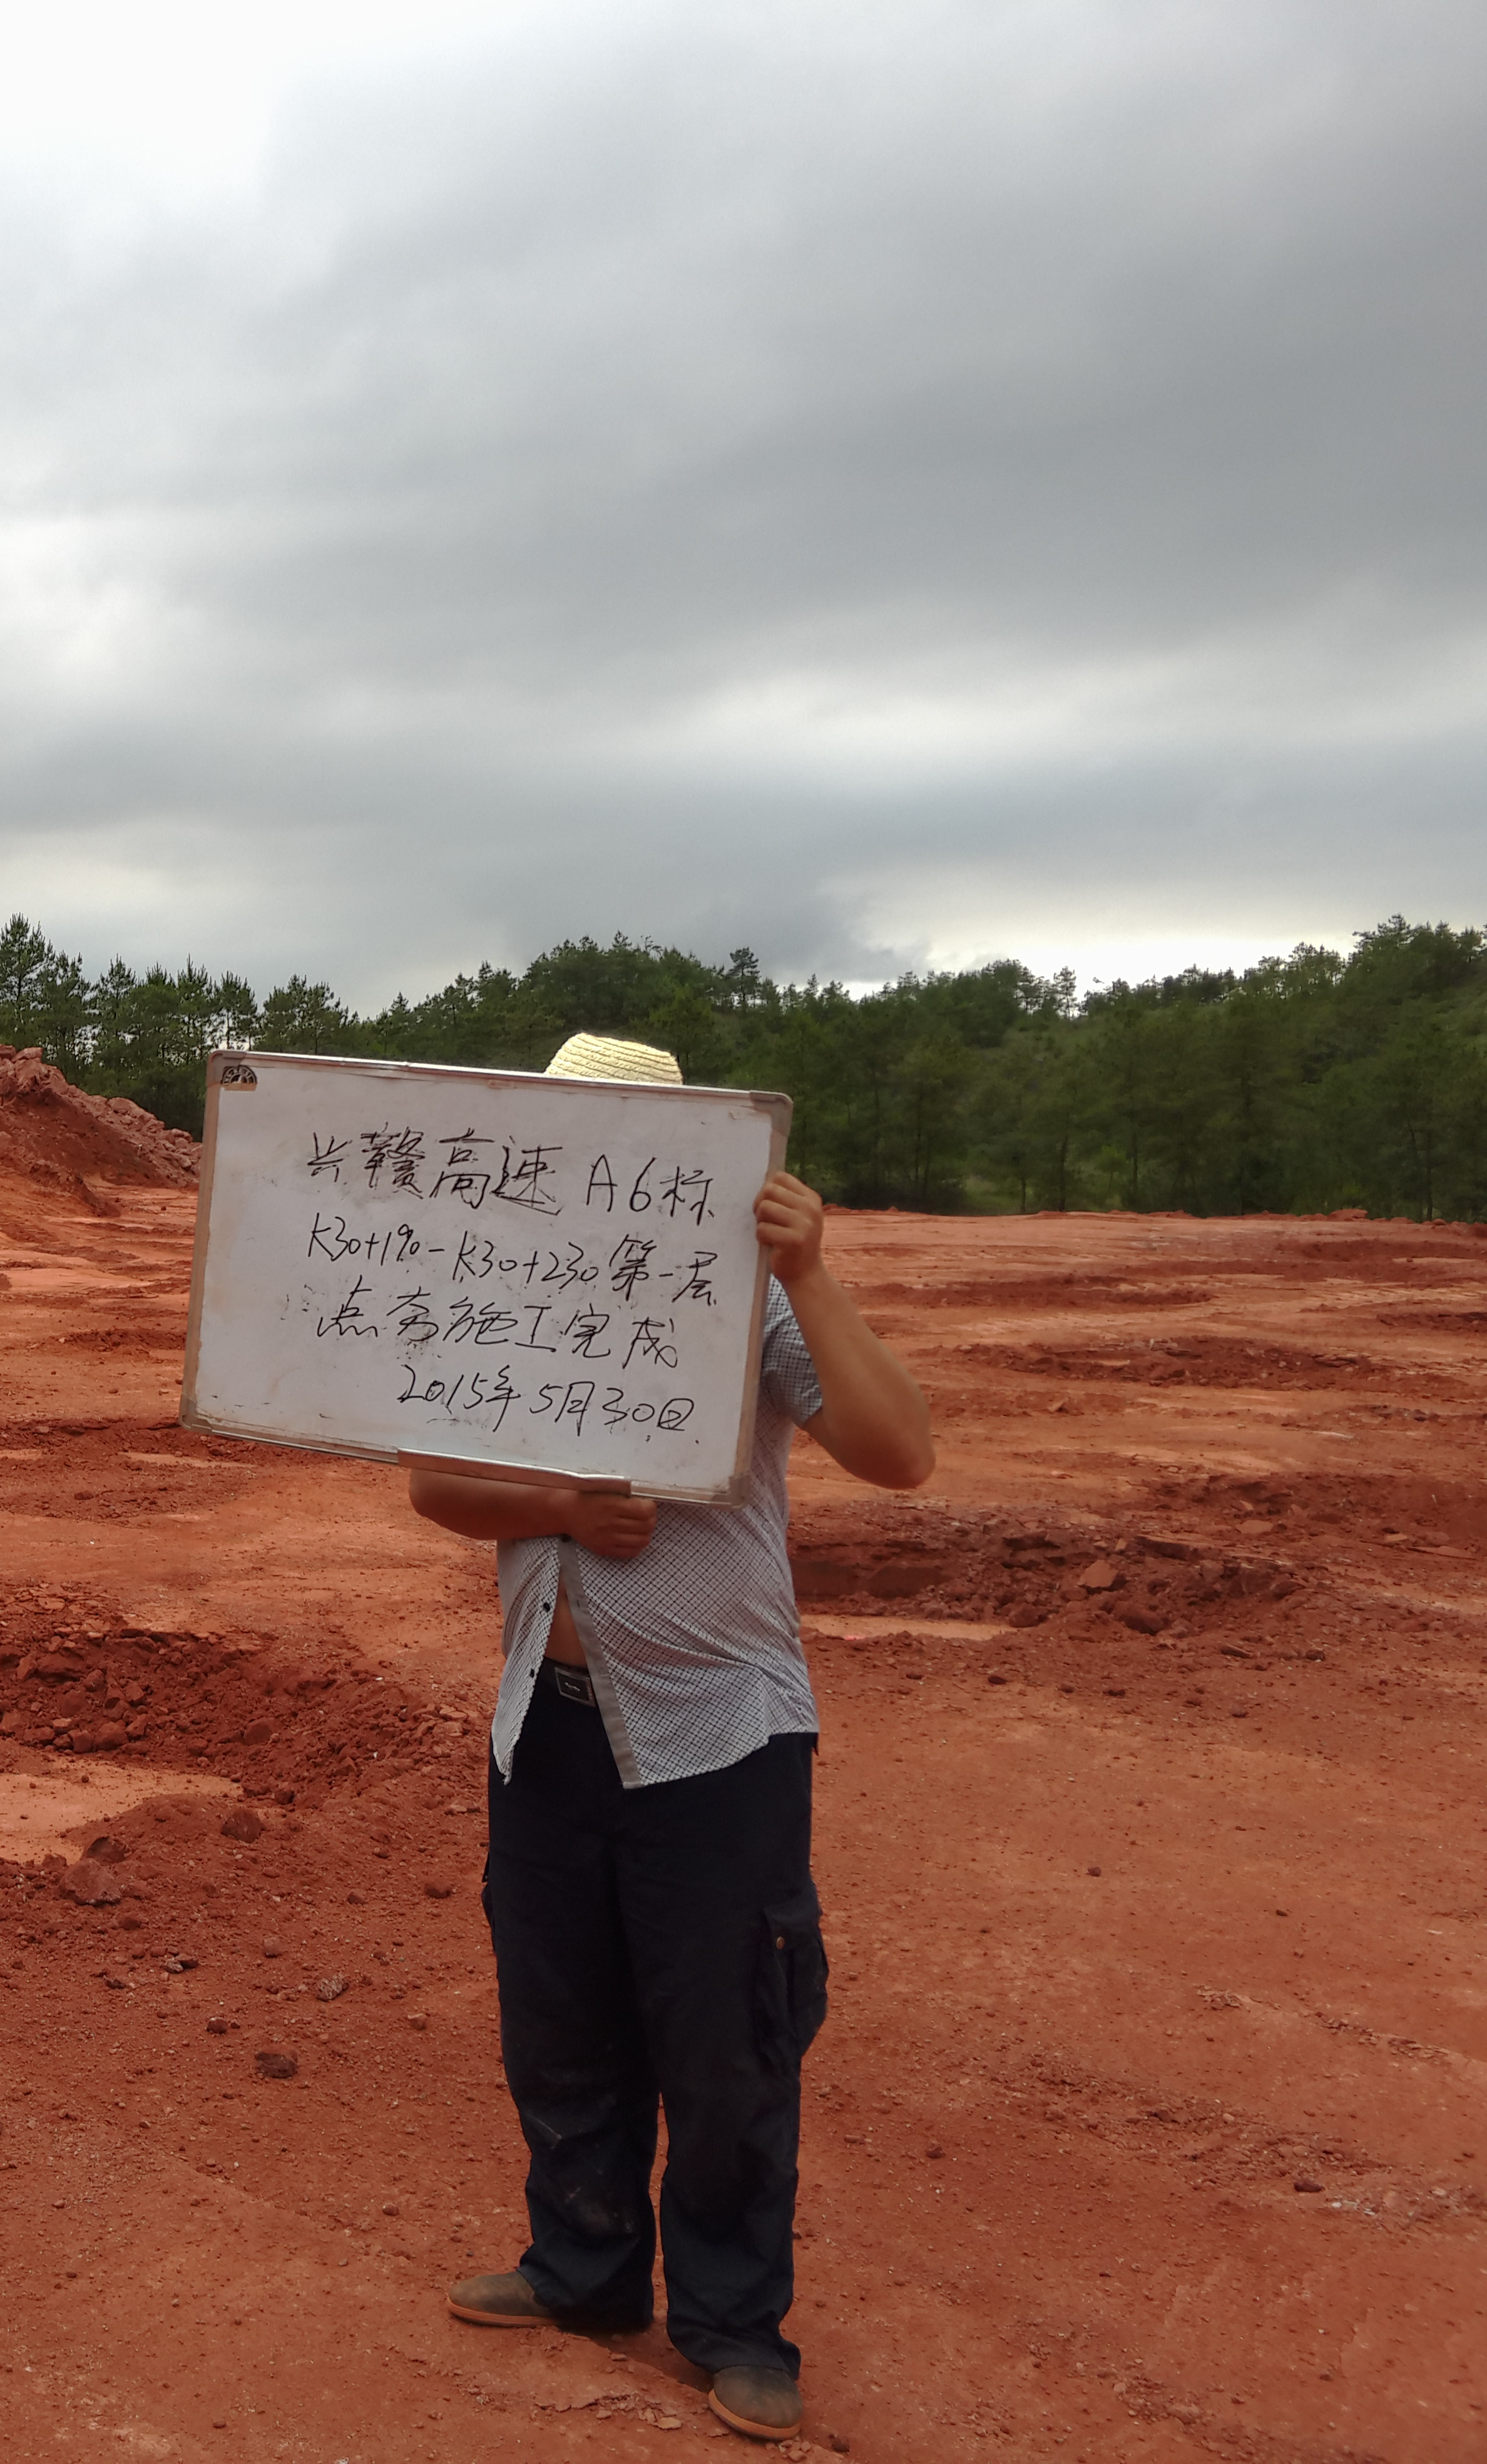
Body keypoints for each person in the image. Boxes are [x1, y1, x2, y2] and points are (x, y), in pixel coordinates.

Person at [407, 1030, 934, 2445]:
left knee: (726, 2045)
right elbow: (432, 1486)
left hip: (719, 1741)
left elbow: (898, 1453)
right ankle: (578, 2270)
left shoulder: (747, 1308)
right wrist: (558, 1515)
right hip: (547, 1727)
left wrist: (811, 1273)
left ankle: (731, 2324)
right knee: (560, 2023)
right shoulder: (497, 1293)